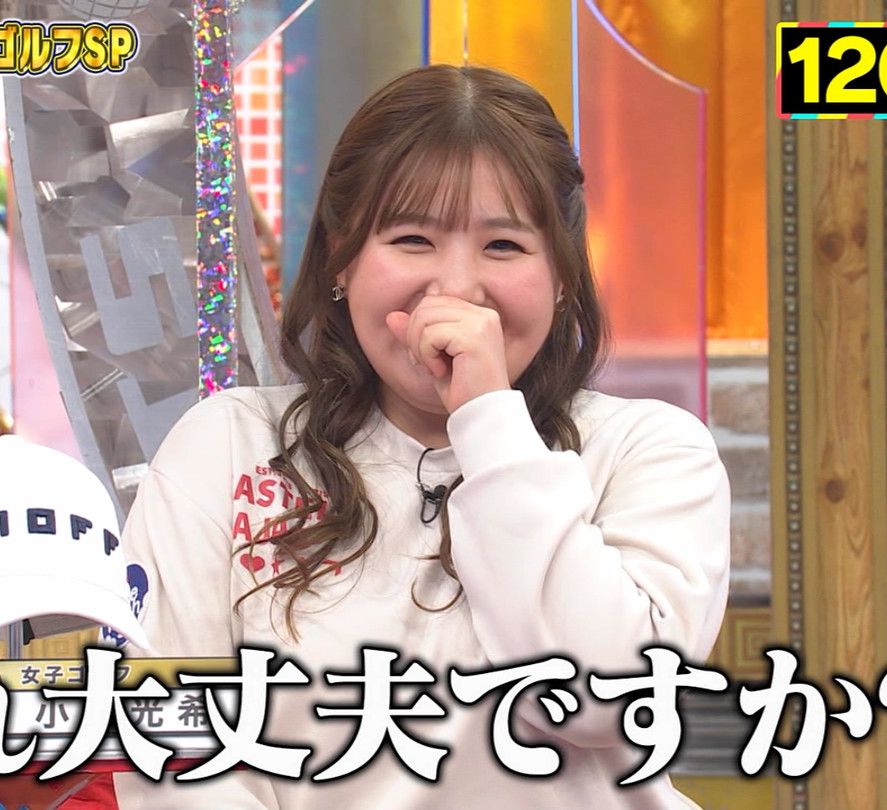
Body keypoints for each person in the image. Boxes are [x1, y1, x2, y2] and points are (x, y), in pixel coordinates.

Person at [112, 63, 730, 809]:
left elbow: (610, 703)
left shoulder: (649, 451)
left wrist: (490, 423)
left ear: (563, 275)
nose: (456, 289)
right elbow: (172, 754)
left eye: (504, 246)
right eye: (412, 239)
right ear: (341, 259)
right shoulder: (228, 445)